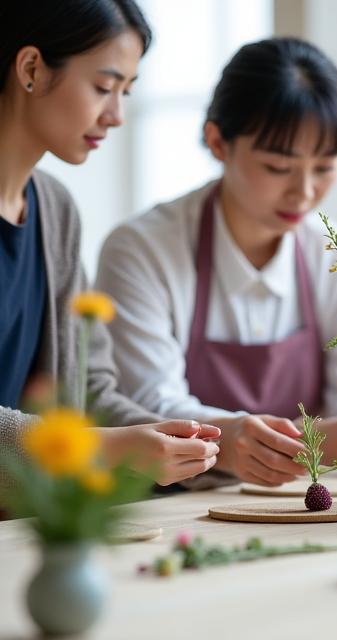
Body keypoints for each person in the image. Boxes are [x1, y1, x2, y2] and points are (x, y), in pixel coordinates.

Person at [97, 37, 337, 487]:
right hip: (169, 506)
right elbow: (150, 406)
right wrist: (309, 436)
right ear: (218, 142)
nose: (303, 192)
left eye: (324, 167)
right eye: (279, 168)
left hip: (300, 504)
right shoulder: (142, 251)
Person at [0, 0, 220, 489]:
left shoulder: (54, 211)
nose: (117, 115)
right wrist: (102, 448)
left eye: (126, 91)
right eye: (103, 87)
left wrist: (188, 439)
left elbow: (91, 388)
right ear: (32, 68)